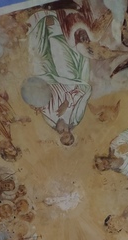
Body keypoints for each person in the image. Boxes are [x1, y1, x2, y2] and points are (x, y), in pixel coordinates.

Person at [22, 12, 91, 145]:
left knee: (37, 59)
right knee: (58, 51)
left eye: (63, 138)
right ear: (71, 134)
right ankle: (56, 23)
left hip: (48, 82)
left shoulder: (50, 122)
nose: (64, 134)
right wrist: (67, 102)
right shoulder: (75, 118)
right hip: (68, 82)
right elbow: (82, 93)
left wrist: (36, 105)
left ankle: (40, 25)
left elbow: (43, 103)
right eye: (68, 136)